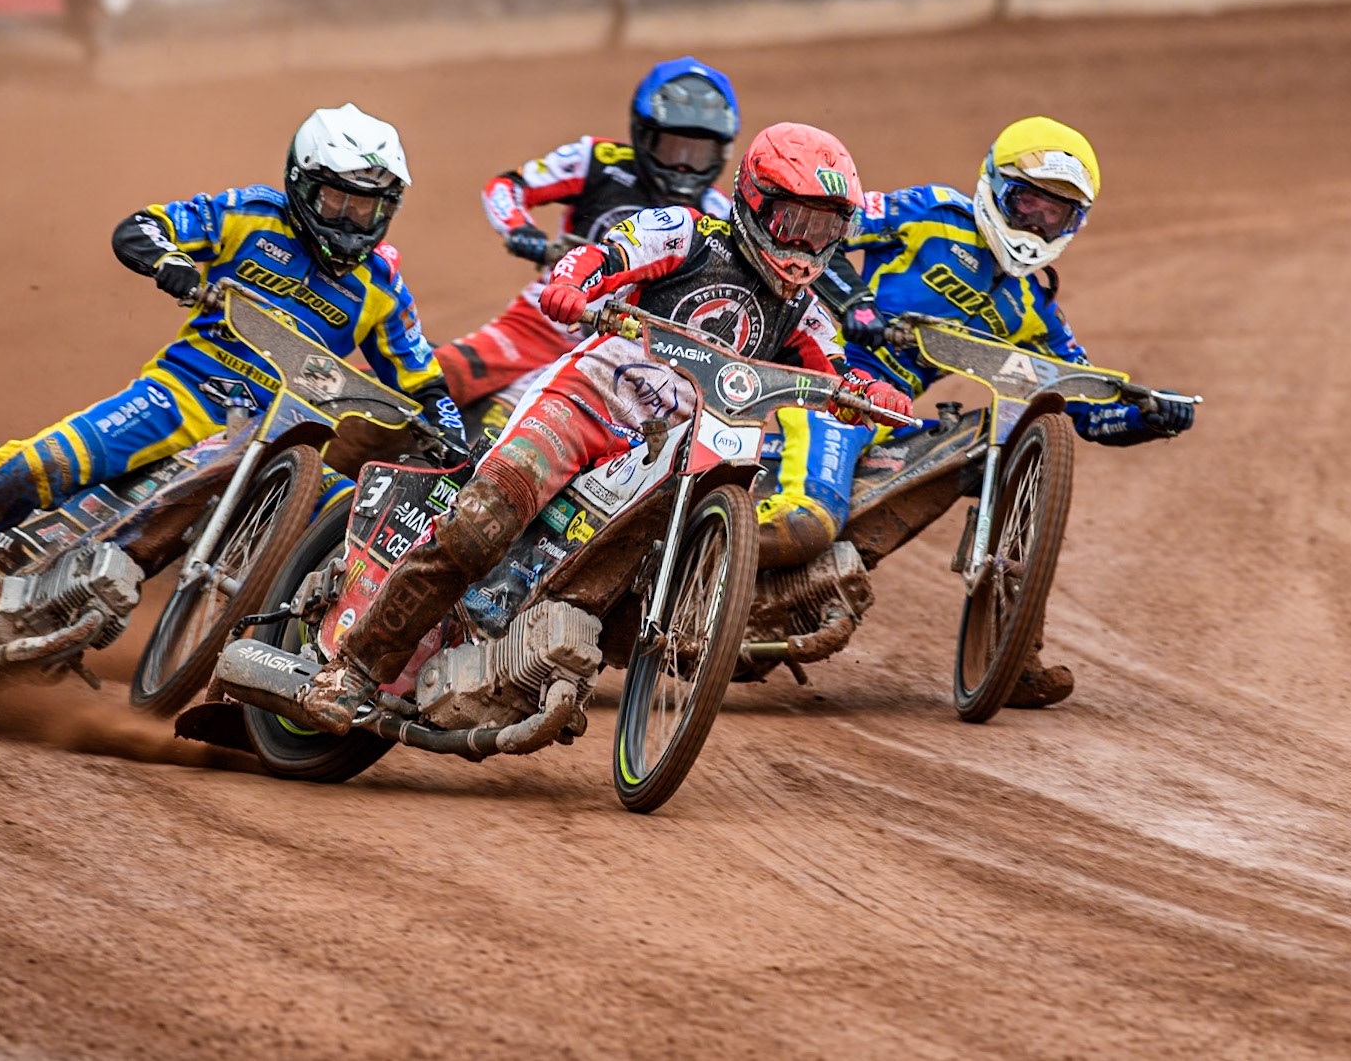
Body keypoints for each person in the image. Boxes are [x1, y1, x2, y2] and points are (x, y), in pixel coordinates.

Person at [297, 123, 913, 734]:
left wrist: (867, 394)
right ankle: (352, 669)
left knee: (644, 585)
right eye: (794, 224)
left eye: (825, 230)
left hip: (669, 453)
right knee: (481, 525)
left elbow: (839, 373)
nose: (805, 246)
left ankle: (540, 664)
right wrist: (572, 286)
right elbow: (605, 253)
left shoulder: (806, 313)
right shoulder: (688, 235)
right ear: (754, 202)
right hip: (587, 403)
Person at [0, 104, 465, 635]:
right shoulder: (250, 214)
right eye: (337, 200)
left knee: (347, 530)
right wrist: (171, 264)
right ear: (302, 185)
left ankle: (274, 676)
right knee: (48, 464)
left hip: (276, 437)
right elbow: (141, 228)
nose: (351, 220)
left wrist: (454, 436)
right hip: (183, 394)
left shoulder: (382, 287)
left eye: (367, 207)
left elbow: (422, 378)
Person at [763, 115, 1197, 706]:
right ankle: (721, 564)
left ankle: (1012, 650)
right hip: (826, 377)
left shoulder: (1032, 304)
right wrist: (856, 302)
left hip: (895, 412)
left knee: (1019, 433)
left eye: (1056, 214)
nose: (1037, 223)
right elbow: (826, 229)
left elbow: (1086, 405)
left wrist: (1149, 415)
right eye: (1027, 203)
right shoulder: (931, 213)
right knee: (807, 518)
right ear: (993, 186)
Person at [436, 56, 742, 412]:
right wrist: (520, 230)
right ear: (644, 135)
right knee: (442, 374)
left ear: (721, 152)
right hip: (545, 317)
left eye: (700, 153)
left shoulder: (721, 217)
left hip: (627, 352)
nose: (684, 164)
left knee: (509, 420)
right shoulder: (599, 160)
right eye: (672, 147)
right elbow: (507, 186)